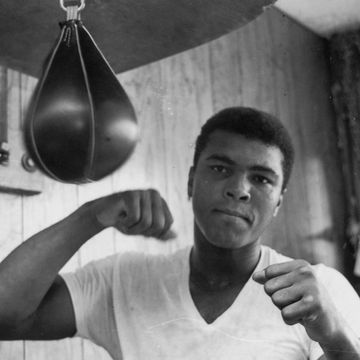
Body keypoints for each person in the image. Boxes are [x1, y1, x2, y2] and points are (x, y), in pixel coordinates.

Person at [0, 107, 359, 360]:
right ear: (190, 182)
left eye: (261, 178)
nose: (239, 189)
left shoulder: (320, 289)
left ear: (279, 201)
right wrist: (90, 216)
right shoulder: (122, 279)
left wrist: (332, 333)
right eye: (220, 168)